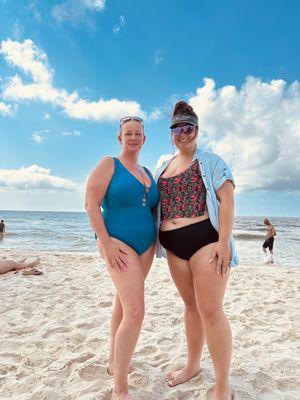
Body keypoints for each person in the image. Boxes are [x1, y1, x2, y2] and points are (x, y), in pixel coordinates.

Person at [155, 101, 238, 400]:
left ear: (197, 130)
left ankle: (223, 384)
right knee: (190, 308)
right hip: (174, 247)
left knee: (211, 310)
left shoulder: (212, 161)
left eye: (188, 128)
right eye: (177, 128)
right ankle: (192, 366)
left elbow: (226, 201)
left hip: (206, 240)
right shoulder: (163, 164)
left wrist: (223, 243)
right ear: (171, 132)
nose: (182, 134)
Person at [85, 116, 159, 400]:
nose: (132, 138)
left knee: (123, 303)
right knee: (136, 311)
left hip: (146, 245)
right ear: (119, 138)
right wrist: (105, 243)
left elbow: (153, 209)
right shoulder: (109, 164)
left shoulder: (148, 171)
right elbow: (91, 203)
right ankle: (120, 388)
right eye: (127, 133)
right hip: (117, 242)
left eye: (137, 133)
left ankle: (114, 361)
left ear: (144, 138)